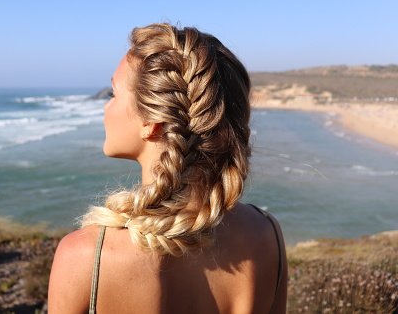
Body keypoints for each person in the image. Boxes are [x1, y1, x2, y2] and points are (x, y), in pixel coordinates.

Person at [48, 23, 287, 313]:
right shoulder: (266, 234)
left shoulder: (86, 256)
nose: (105, 108)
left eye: (113, 94)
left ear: (151, 121)